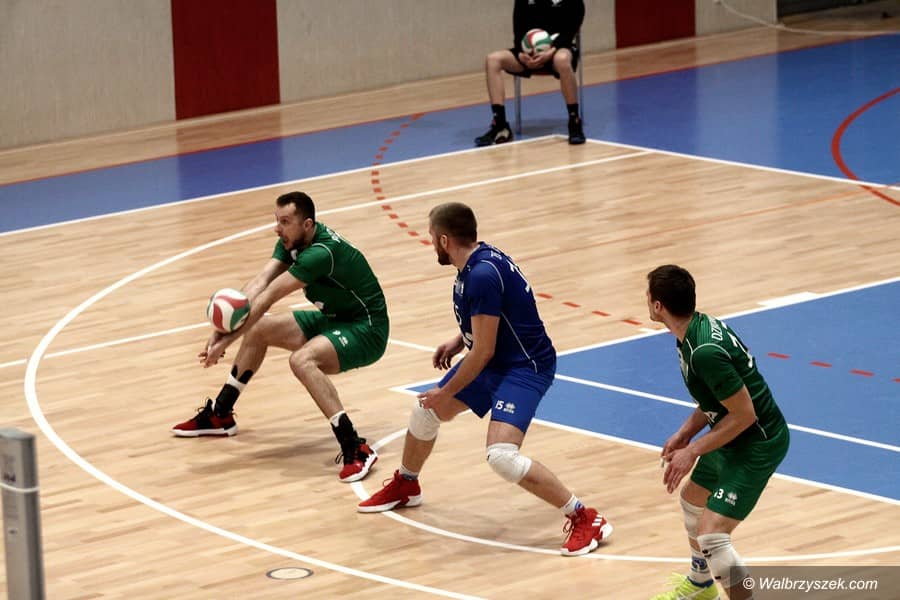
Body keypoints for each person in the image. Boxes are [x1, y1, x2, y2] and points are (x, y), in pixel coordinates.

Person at [357, 202, 612, 556]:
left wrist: (445, 389)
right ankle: (407, 484)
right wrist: (460, 339)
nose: (431, 243)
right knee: (424, 413)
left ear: (444, 240)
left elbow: (483, 353)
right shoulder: (478, 261)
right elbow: (493, 319)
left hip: (525, 367)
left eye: (431, 237)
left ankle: (585, 517)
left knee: (501, 456)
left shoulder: (480, 275)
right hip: (498, 360)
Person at [171, 191, 389, 483]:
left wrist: (226, 341)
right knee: (259, 328)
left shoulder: (320, 253)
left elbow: (269, 296)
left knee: (302, 361)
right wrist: (221, 330)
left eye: (285, 222)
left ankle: (354, 447)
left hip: (366, 330)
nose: (278, 228)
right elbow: (259, 284)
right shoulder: (292, 242)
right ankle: (220, 415)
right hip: (335, 319)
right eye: (277, 220)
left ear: (307, 225)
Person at [646, 265, 790, 600]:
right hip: (731, 435)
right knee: (692, 501)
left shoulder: (704, 351)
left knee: (712, 536)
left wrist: (693, 451)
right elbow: (716, 399)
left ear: (658, 306)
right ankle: (701, 585)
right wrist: (685, 433)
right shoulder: (693, 332)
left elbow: (744, 414)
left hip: (757, 444)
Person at [475, 0, 586, 147]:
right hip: (527, 54)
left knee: (562, 60)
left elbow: (571, 28)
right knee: (493, 60)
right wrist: (521, 54)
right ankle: (500, 126)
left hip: (559, 48)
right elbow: (518, 30)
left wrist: (551, 51)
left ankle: (574, 121)